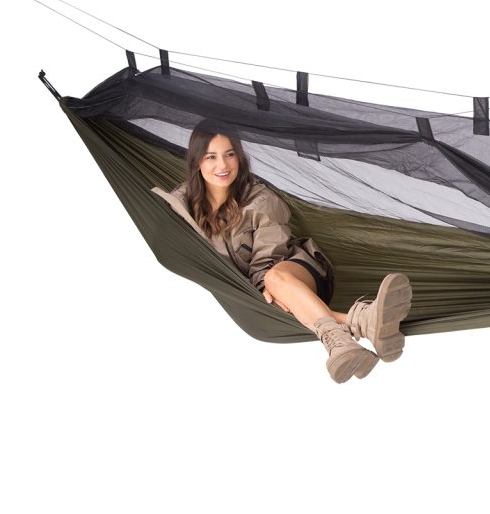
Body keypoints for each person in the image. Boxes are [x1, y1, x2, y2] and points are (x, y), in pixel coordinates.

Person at [151, 121, 412, 383]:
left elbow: (268, 259)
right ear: (197, 161)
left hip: (296, 269)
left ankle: (345, 339)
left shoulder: (260, 200)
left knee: (274, 280)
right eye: (211, 157)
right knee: (273, 292)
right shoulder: (182, 205)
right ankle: (363, 323)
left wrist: (264, 290)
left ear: (239, 157)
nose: (223, 165)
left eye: (229, 154)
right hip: (256, 296)